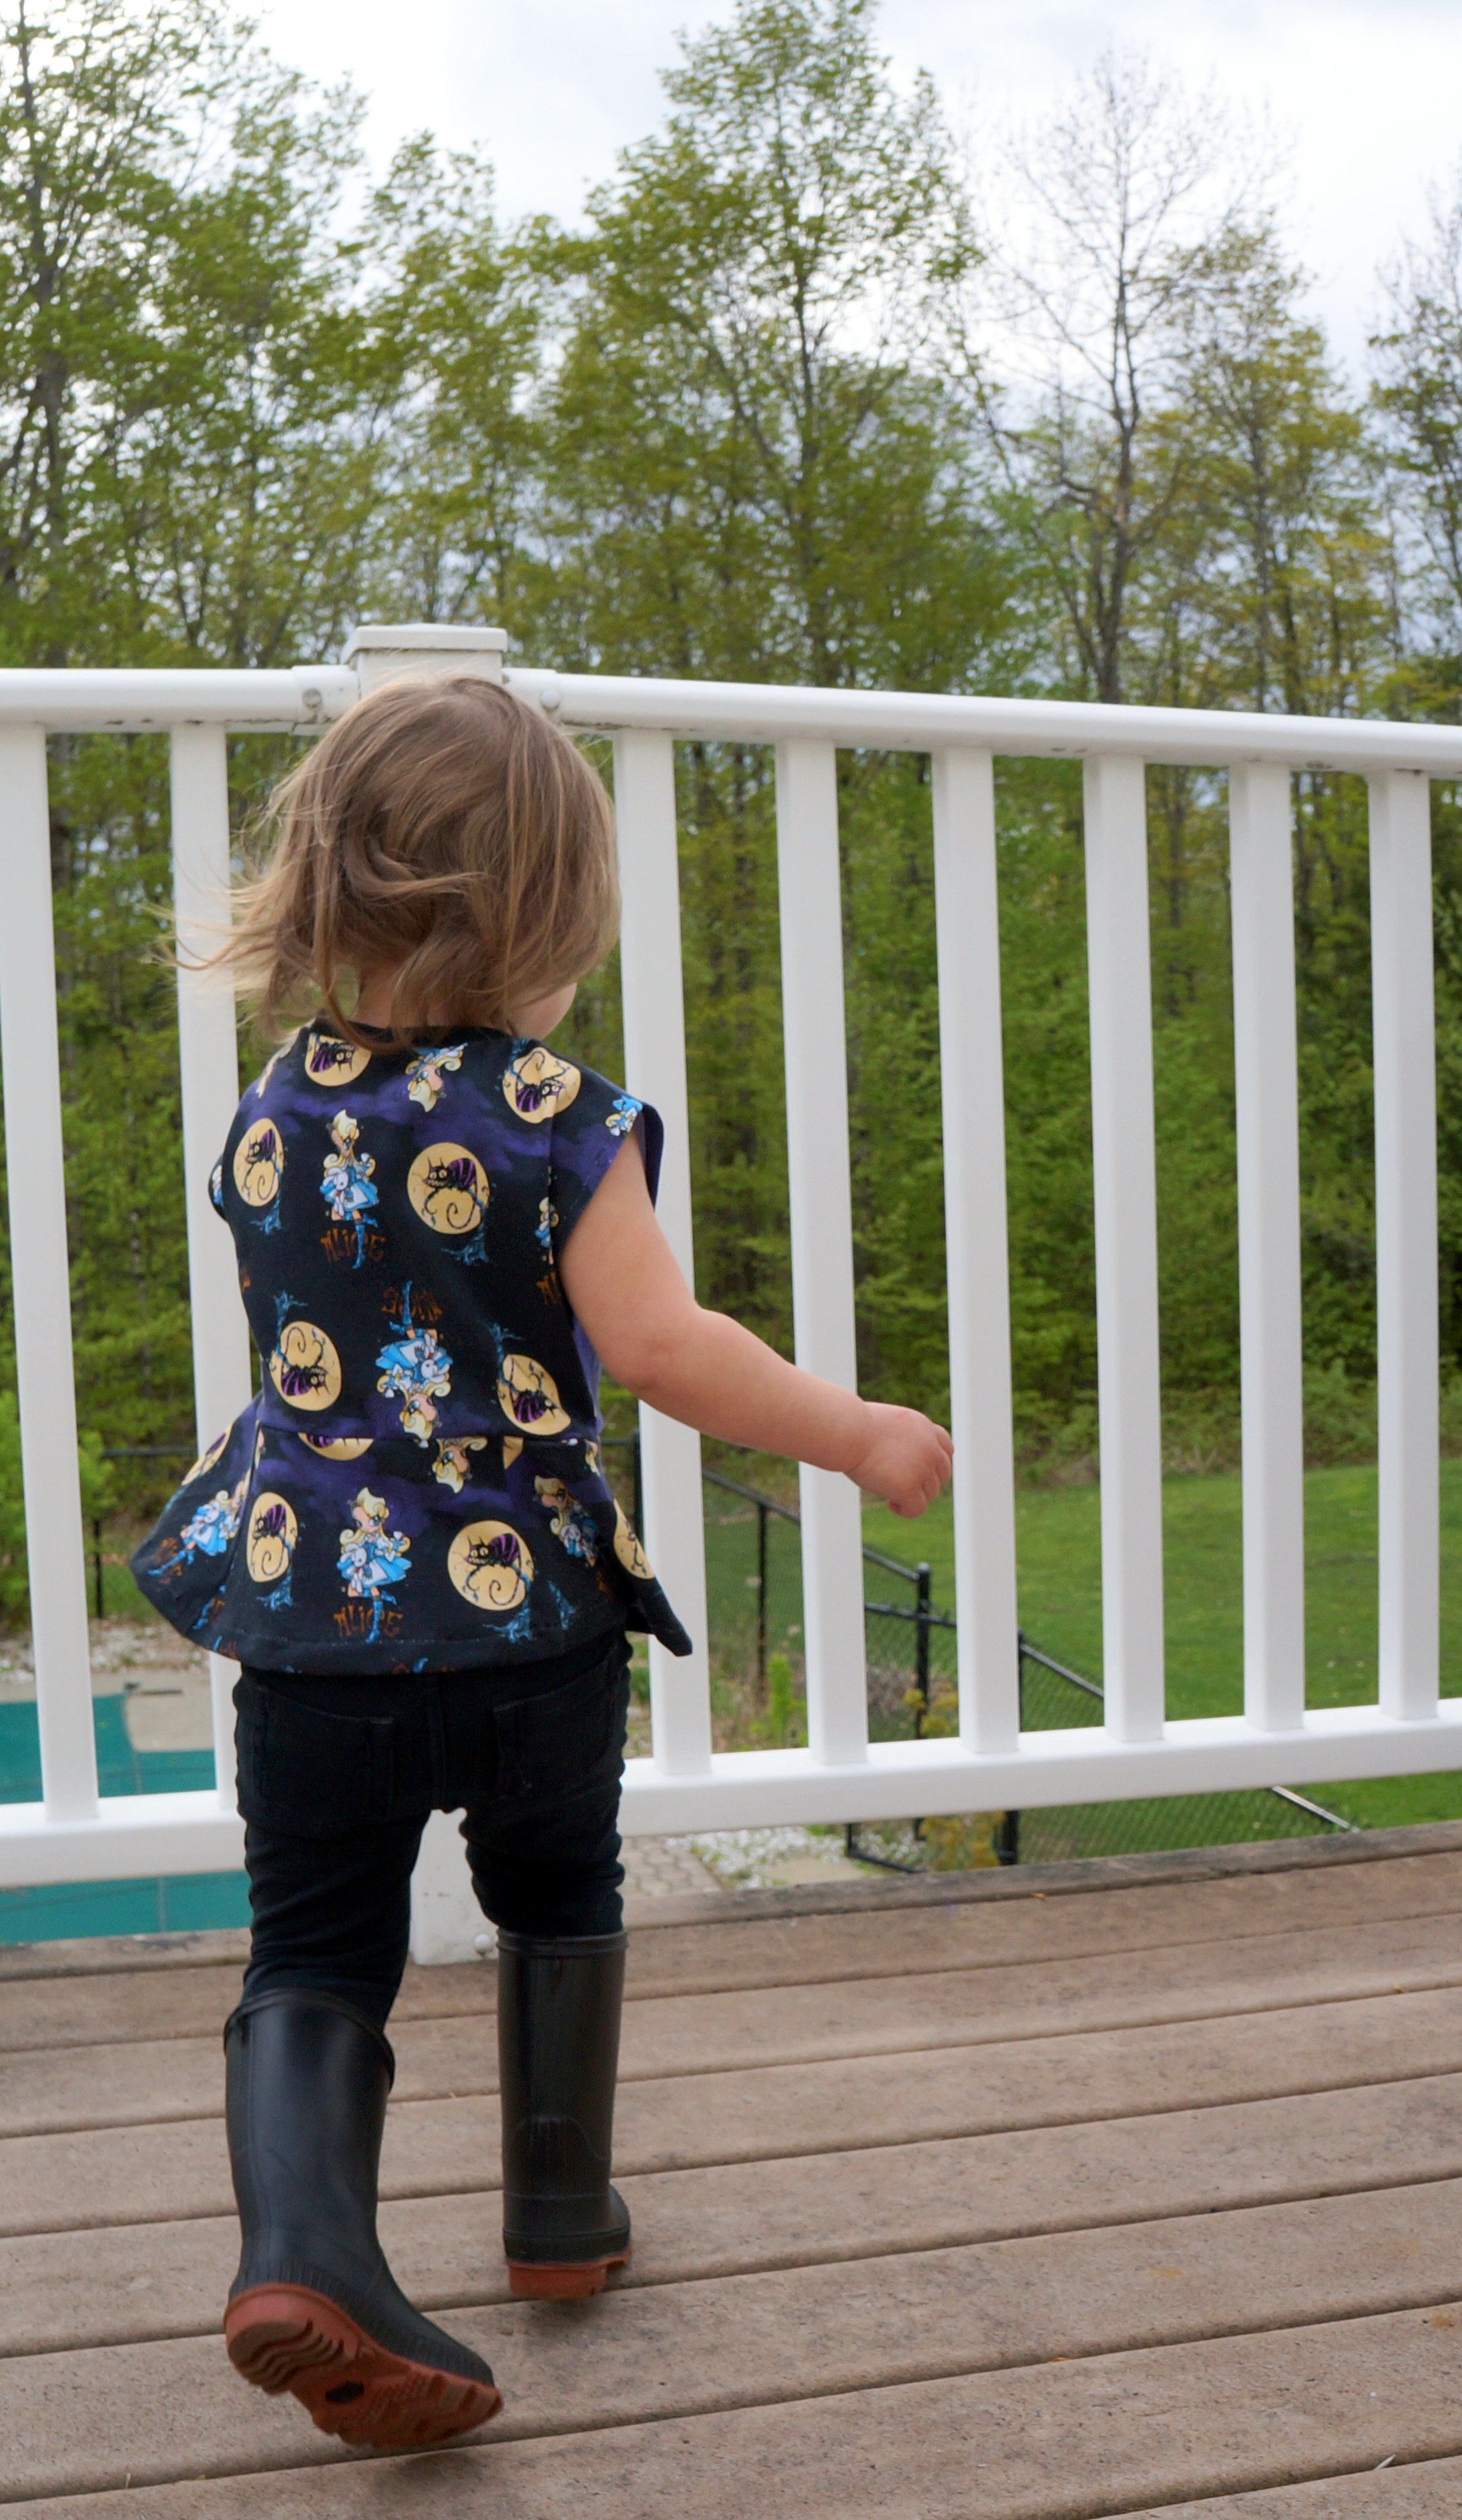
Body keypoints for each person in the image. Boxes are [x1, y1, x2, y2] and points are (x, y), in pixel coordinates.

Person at [132, 675, 953, 2453]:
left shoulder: (276, 1102)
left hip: (314, 1618)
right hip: (528, 1625)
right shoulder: (557, 1117)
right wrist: (856, 1430)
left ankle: (300, 2251)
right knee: (560, 1894)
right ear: (540, 917)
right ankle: (560, 2217)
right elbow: (660, 1350)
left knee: (313, 1955)